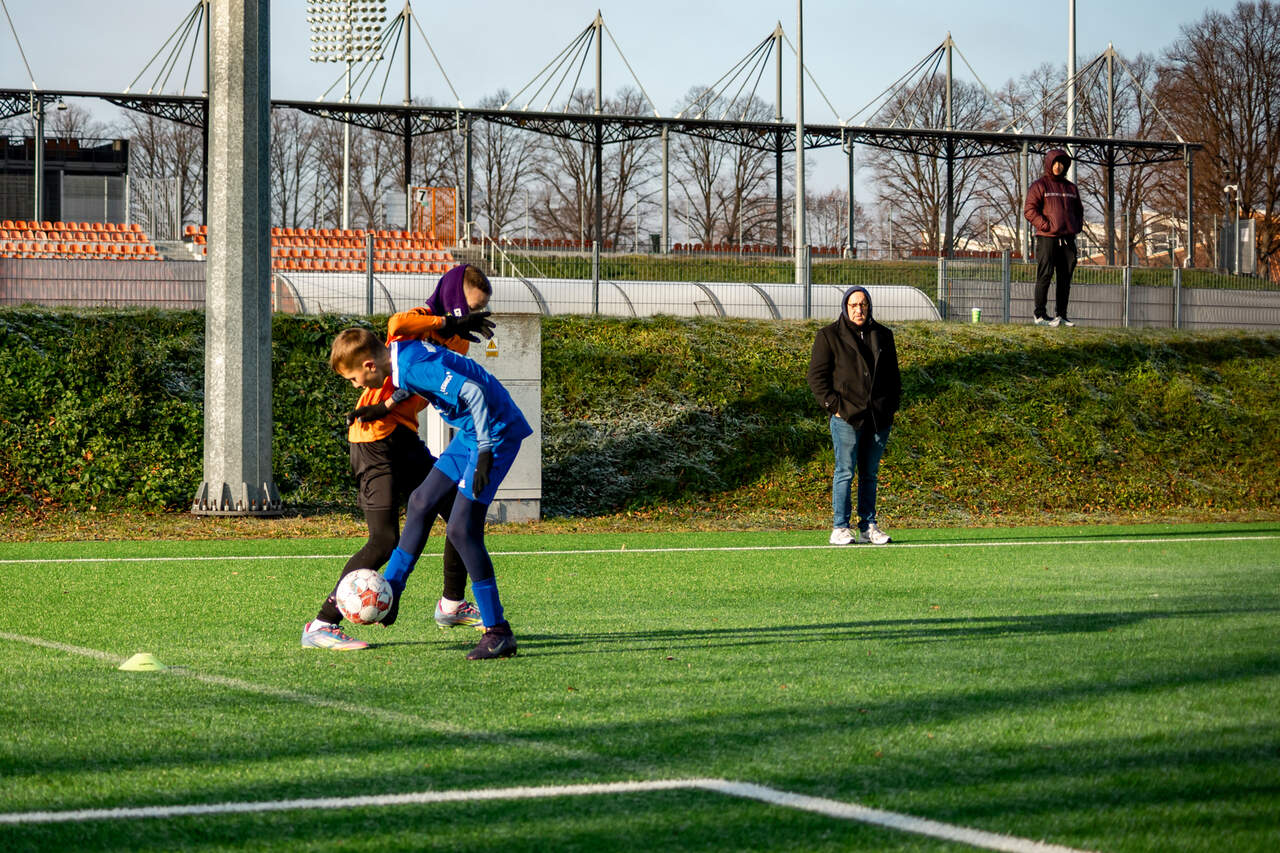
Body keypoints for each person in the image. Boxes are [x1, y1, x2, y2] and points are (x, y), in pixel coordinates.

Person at [302, 265, 495, 650]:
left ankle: (452, 603)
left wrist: (391, 403)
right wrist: (446, 321)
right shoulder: (420, 320)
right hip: (373, 440)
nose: (472, 316)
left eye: (478, 310)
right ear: (453, 300)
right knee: (384, 539)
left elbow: (422, 384)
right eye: (469, 307)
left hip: (403, 435)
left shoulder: (459, 343)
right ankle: (321, 624)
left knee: (460, 517)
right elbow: (396, 325)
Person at [329, 303, 532, 660]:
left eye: (354, 379)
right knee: (421, 501)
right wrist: (382, 408)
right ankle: (392, 590)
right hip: (471, 433)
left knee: (462, 531)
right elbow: (413, 385)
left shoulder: (410, 366)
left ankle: (498, 632)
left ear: (369, 365)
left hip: (494, 432)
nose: (357, 386)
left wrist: (486, 450)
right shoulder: (398, 353)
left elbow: (472, 392)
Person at [806, 285, 901, 546]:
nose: (859, 309)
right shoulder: (828, 336)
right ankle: (840, 527)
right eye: (854, 305)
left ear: (869, 306)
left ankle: (868, 527)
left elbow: (893, 377)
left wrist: (890, 407)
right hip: (846, 417)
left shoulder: (883, 335)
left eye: (863, 304)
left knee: (869, 474)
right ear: (846, 307)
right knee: (845, 472)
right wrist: (835, 406)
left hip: (878, 418)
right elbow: (816, 377)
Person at [1024, 147, 1084, 327]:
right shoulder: (1039, 185)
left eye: (1062, 163)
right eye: (1055, 163)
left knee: (1065, 278)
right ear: (1049, 164)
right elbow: (1029, 210)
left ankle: (1061, 316)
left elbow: (1079, 211)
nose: (1058, 166)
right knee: (1045, 275)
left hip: (1067, 239)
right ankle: (1040, 315)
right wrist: (1047, 226)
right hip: (1047, 238)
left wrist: (1075, 227)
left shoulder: (1071, 188)